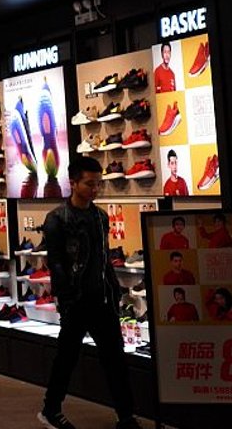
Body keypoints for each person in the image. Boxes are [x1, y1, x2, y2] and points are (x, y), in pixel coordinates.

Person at [38, 155, 139, 429]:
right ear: (73, 183)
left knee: (115, 359)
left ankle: (125, 416)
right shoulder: (56, 219)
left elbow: (103, 258)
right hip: (76, 300)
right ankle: (50, 410)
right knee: (66, 358)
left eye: (98, 184)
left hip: (103, 298)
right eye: (90, 184)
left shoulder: (100, 217)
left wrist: (114, 292)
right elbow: (56, 263)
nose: (95, 189)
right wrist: (66, 298)